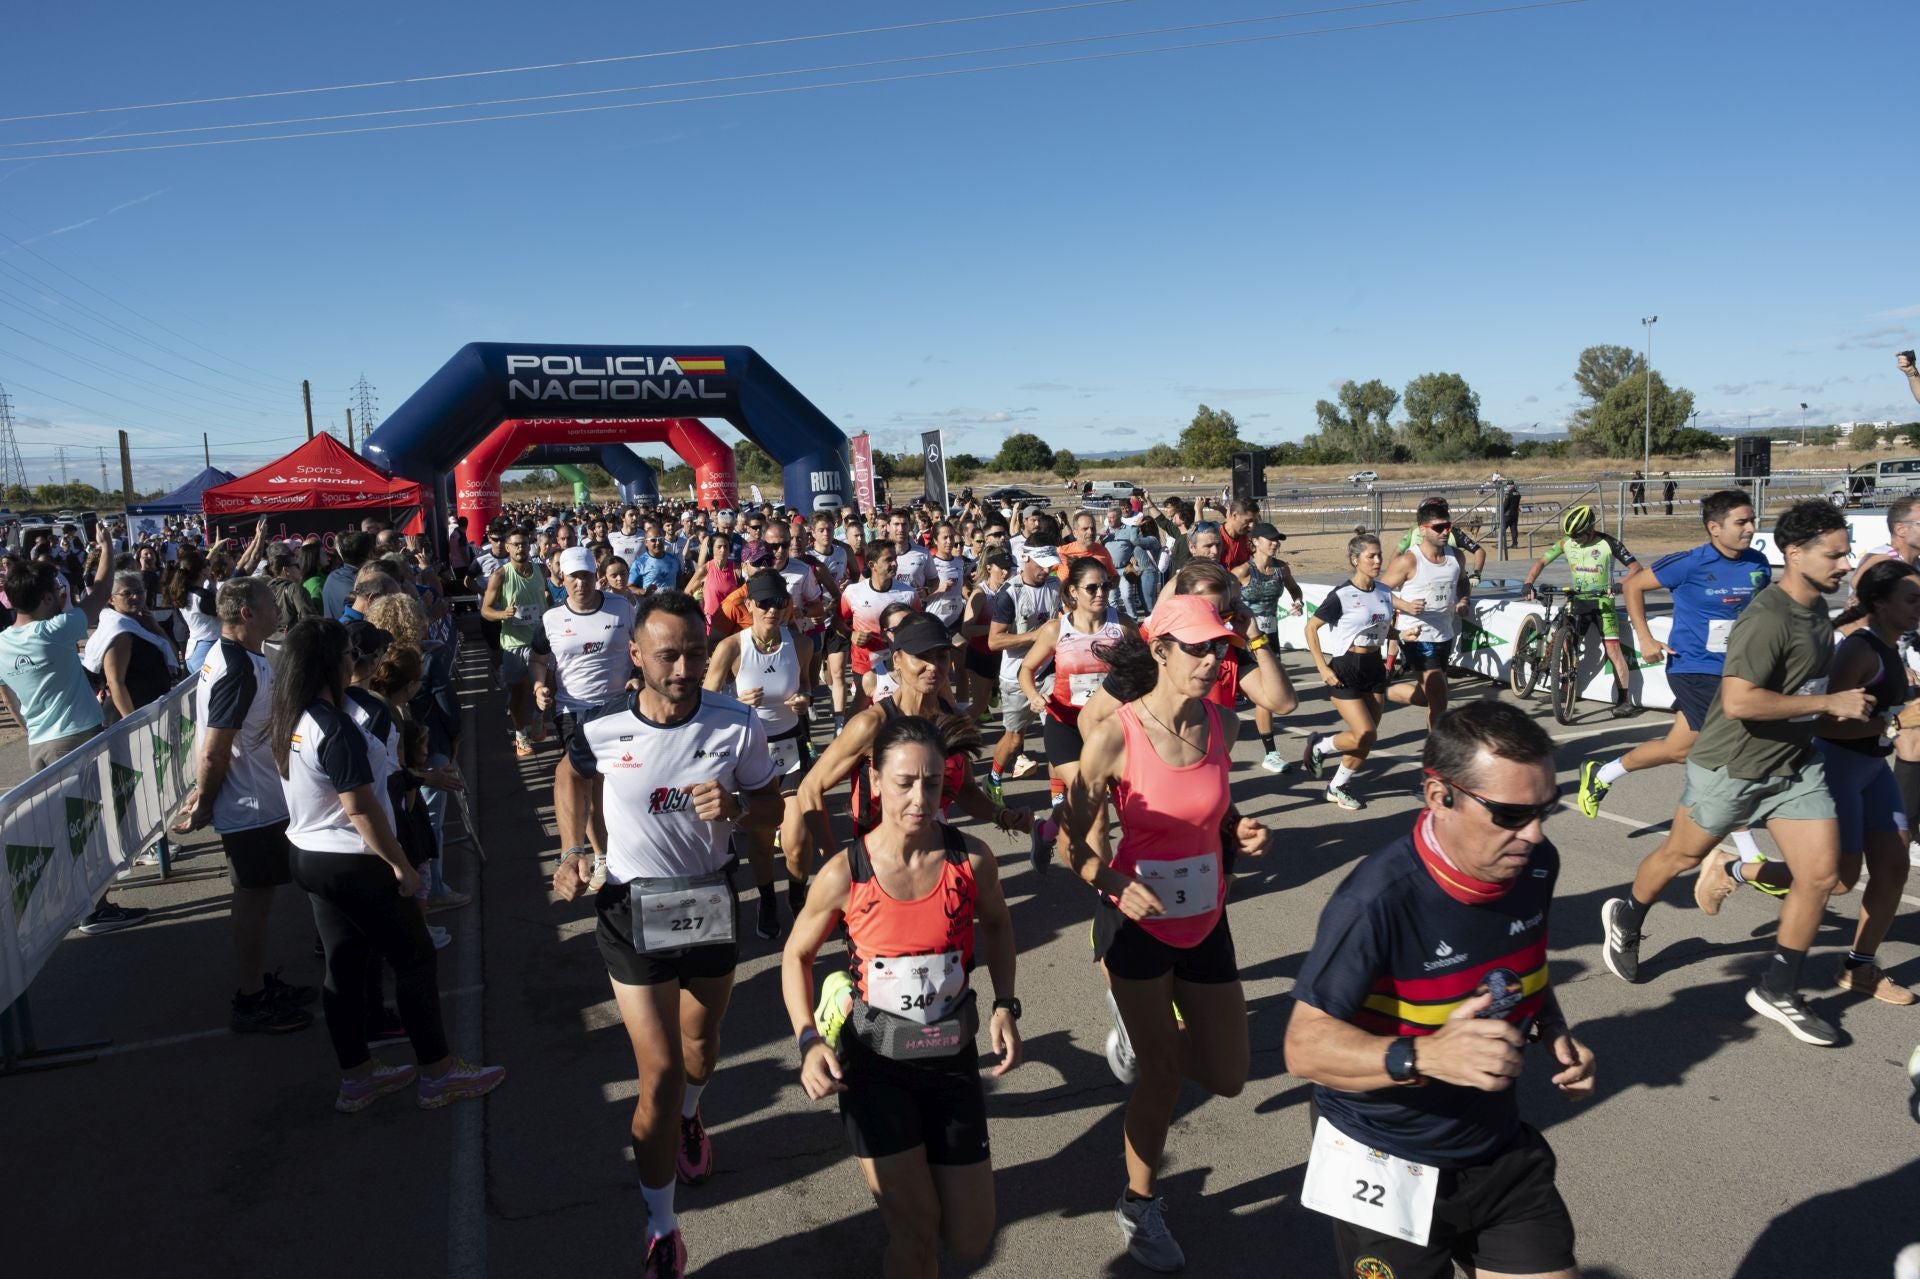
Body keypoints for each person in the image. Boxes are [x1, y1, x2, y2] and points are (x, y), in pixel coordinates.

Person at [1284, 701, 1593, 1279]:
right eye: (1509, 813)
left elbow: (1520, 958)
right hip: (1385, 1161)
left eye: (1544, 810)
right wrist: (1424, 1055)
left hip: (1498, 1149)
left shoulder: (1535, 864)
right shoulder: (1375, 900)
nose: (1533, 834)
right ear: (1437, 796)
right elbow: (1304, 1049)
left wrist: (1552, 1027)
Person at [551, 590, 784, 1279]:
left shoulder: (736, 724)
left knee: (699, 1047)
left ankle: (692, 1114)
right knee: (655, 1071)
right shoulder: (600, 726)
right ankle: (662, 1224)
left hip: (710, 900)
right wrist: (571, 849)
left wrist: (741, 807)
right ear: (636, 654)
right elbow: (571, 772)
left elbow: (774, 805)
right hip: (630, 909)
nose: (682, 668)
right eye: (667, 655)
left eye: (691, 652)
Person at [1599, 500, 1868, 1047]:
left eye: (1847, 553)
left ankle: (1778, 988)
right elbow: (1741, 701)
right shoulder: (1767, 616)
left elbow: (1810, 677)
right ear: (1795, 554)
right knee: (1680, 856)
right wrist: (1831, 703)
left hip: (1794, 766)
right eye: (1835, 554)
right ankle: (1628, 915)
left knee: (1822, 877)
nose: (1845, 563)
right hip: (1731, 766)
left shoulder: (1816, 604)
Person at [1060, 593, 1269, 1272]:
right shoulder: (1115, 735)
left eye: (1220, 649)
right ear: (1161, 652)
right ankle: (1140, 1202)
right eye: (1200, 648)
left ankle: (1148, 1041)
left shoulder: (1225, 725)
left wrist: (1240, 828)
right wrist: (1113, 883)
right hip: (1138, 926)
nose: (1214, 661)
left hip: (1206, 920)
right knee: (1162, 1076)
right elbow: (1075, 842)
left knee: (1230, 1074)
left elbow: (1217, 803)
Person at [782, 715, 1022, 1279]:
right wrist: (808, 1040)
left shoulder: (972, 860)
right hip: (873, 1066)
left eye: (934, 784)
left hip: (951, 1060)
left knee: (969, 1238)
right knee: (915, 1235)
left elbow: (1000, 926)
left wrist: (1005, 1005)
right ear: (875, 777)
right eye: (905, 782)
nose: (921, 798)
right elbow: (796, 956)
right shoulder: (846, 873)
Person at [272, 618, 505, 1112]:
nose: (354, 663)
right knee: (415, 958)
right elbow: (359, 808)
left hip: (311, 853)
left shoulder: (293, 716)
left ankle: (357, 1077)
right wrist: (401, 866)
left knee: (346, 966)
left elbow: (359, 790)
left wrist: (416, 777)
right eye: (347, 656)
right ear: (332, 663)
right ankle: (438, 1073)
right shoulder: (334, 725)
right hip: (353, 858)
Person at [1717, 560, 1920, 1005]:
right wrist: (1895, 722)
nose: (1918, 608)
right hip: (1838, 767)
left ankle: (1859, 968)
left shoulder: (1894, 646)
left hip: (1874, 770)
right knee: (1839, 882)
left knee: (1893, 867)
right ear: (1881, 603)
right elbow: (1824, 726)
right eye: (1911, 600)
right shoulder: (1859, 651)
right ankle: (1734, 868)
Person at [1577, 490, 1774, 868]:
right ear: (1714, 528)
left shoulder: (1758, 564)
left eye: (1751, 520)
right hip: (1693, 668)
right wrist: (1646, 637)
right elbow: (1634, 585)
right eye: (1741, 522)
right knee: (1727, 752)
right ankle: (1751, 856)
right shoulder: (1689, 563)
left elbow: (1762, 612)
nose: (1751, 528)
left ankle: (1602, 774)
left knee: (1680, 749)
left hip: (1738, 670)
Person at [172, 577, 314, 1033]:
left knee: (261, 897)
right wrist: (206, 802)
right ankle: (250, 997)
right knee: (253, 900)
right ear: (248, 614)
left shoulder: (240, 656)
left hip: (257, 798)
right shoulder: (237, 666)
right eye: (273, 604)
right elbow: (216, 747)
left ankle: (256, 985)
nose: (280, 610)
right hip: (250, 804)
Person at [1, 547, 148, 935]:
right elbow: (100, 593)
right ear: (46, 597)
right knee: (88, 829)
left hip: (40, 744)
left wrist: (31, 725)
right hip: (77, 740)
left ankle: (80, 904)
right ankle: (93, 910)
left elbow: (9, 698)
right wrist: (107, 550)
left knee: (62, 830)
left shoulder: (2, 643)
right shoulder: (53, 630)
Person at [704, 569, 815, 941]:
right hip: (751, 754)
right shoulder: (732, 648)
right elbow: (704, 703)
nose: (771, 610)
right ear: (748, 605)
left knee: (798, 837)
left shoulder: (799, 644)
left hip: (791, 747)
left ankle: (797, 896)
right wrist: (734, 702)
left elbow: (808, 687)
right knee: (762, 839)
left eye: (778, 603)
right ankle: (768, 898)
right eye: (763, 603)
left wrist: (804, 702)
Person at [531, 546, 637, 887]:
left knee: (618, 781)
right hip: (572, 711)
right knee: (588, 783)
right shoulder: (551, 619)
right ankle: (603, 855)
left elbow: (642, 646)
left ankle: (626, 847)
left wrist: (639, 675)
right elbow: (538, 658)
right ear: (562, 578)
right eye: (573, 577)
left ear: (597, 577)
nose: (581, 583)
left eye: (587, 576)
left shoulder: (622, 607)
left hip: (620, 706)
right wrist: (537, 687)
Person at [1299, 534, 1396, 811]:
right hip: (1345, 668)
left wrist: (1399, 637)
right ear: (1356, 560)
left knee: (1369, 735)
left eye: (1379, 555)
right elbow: (1311, 628)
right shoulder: (1341, 595)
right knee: (1363, 732)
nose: (1378, 561)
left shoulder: (1385, 592)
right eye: (1371, 556)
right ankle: (1321, 745)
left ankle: (1337, 786)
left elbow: (1382, 627)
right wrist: (1322, 667)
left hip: (1375, 667)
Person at [1520, 504, 1641, 717]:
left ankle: (1624, 700)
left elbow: (1636, 568)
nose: (1574, 539)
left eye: (1578, 535)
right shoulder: (1567, 542)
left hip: (1603, 602)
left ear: (1590, 529)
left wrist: (1621, 584)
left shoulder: (1608, 542)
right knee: (1565, 645)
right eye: (1571, 536)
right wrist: (1529, 582)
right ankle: (1564, 690)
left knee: (1613, 650)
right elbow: (1541, 562)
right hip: (1576, 600)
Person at [1381, 498, 1471, 729]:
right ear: (1422, 530)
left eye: (1447, 526)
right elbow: (1379, 592)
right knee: (1440, 702)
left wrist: (1463, 600)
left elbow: (1462, 582)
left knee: (1428, 697)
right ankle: (1436, 759)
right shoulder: (1409, 560)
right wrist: (1405, 605)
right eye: (1438, 527)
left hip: (1445, 634)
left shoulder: (1456, 557)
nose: (1445, 532)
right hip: (1417, 636)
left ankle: (1381, 691)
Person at [984, 546, 1061, 802]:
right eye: (1041, 564)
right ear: (1025, 558)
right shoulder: (1010, 592)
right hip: (1015, 676)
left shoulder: (1055, 584)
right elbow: (994, 642)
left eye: (1050, 564)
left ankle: (1059, 800)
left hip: (1048, 671)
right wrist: (1035, 636)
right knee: (1014, 740)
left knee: (1057, 735)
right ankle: (993, 777)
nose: (1046, 570)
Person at [1232, 522, 1304, 770]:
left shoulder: (1281, 569)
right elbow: (1224, 600)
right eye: (1270, 539)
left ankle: (1271, 753)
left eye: (1278, 540)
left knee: (1267, 695)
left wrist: (1298, 602)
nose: (1275, 543)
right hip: (1243, 642)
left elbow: (1295, 590)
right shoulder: (1242, 572)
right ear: (1255, 542)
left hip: (1270, 639)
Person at [480, 526, 548, 756]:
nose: (520, 548)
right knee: (518, 694)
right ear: (507, 547)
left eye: (524, 544)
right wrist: (502, 614)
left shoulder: (540, 569)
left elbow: (545, 594)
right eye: (516, 544)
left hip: (540, 641)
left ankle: (538, 719)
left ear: (530, 546)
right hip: (514, 645)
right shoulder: (500, 575)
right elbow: (485, 610)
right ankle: (521, 736)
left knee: (548, 687)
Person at [838, 540, 919, 715]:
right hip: (864, 665)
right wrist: (850, 634)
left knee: (899, 714)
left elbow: (919, 628)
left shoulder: (909, 594)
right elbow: (838, 620)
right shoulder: (853, 592)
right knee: (863, 716)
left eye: (895, 558)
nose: (895, 563)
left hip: (898, 666)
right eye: (889, 559)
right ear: (872, 565)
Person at [85, 570, 180, 720]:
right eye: (127, 593)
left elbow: (172, 655)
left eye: (139, 592)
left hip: (151, 706)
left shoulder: (139, 623)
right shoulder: (119, 631)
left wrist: (155, 627)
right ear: (111, 599)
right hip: (132, 713)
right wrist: (132, 721)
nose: (135, 597)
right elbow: (115, 681)